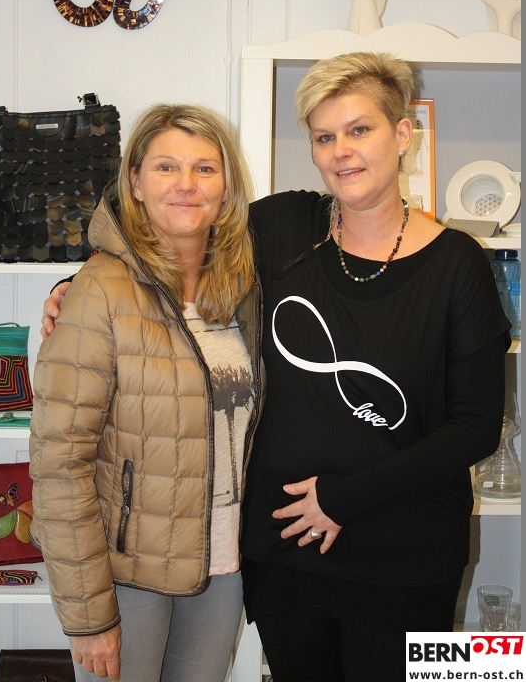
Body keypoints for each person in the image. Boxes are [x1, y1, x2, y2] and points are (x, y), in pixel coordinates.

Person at [41, 53, 511, 682]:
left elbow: (476, 426)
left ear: (402, 135)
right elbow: (171, 249)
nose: (342, 151)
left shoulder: (459, 263)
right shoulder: (282, 227)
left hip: (407, 560)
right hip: (285, 560)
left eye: (360, 129)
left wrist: (342, 498)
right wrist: (78, 288)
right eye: (324, 136)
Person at [30, 103, 264, 682]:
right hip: (127, 578)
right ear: (134, 182)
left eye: (205, 168)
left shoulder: (243, 287)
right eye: (166, 167)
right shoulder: (99, 291)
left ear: (227, 185)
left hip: (222, 568)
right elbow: (60, 461)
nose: (186, 184)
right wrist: (89, 615)